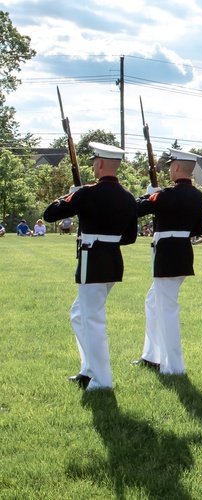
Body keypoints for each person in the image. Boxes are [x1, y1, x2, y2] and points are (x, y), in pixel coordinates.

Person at [42, 142, 138, 390]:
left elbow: (50, 214)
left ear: (101, 163)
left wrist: (70, 195)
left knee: (92, 320)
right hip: (113, 261)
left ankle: (102, 380)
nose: (93, 166)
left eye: (95, 161)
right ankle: (89, 368)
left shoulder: (87, 193)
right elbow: (129, 237)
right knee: (78, 315)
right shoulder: (128, 197)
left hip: (92, 261)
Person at [133, 148, 202, 375]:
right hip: (183, 251)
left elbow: (136, 209)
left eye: (170, 167)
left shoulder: (165, 194)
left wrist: (149, 195)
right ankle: (151, 355)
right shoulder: (198, 195)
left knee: (167, 309)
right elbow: (200, 229)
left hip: (166, 253)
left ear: (176, 168)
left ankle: (174, 366)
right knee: (153, 301)